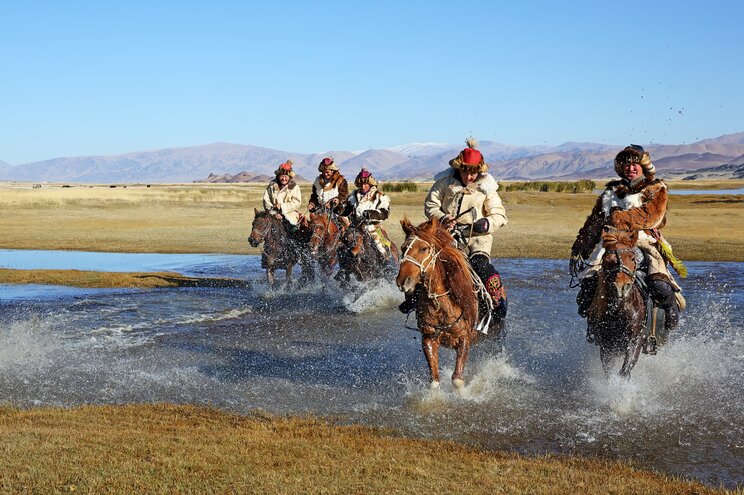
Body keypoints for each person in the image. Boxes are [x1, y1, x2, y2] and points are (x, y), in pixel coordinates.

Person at [570, 144, 685, 338]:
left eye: (635, 165)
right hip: (612, 242)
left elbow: (651, 216)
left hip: (645, 241)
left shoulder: (656, 188)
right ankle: (595, 323)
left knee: (658, 283)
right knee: (589, 283)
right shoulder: (611, 192)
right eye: (626, 164)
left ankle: (671, 308)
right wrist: (580, 247)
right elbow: (594, 222)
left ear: (643, 166)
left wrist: (617, 218)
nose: (630, 168)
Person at [399, 137, 509, 328]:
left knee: (481, 267)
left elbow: (499, 215)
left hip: (476, 239)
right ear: (460, 168)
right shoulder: (444, 183)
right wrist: (442, 218)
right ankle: (415, 299)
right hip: (446, 238)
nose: (469, 177)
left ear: (479, 171)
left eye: (473, 173)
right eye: (466, 171)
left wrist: (485, 224)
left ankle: (496, 304)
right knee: (429, 267)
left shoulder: (487, 188)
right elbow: (431, 205)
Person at [339, 168, 392, 260]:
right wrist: (339, 208)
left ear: (370, 184)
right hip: (354, 227)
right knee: (340, 244)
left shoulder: (380, 196)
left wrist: (370, 214)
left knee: (380, 248)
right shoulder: (353, 196)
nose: (363, 187)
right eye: (361, 184)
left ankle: (386, 265)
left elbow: (385, 213)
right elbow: (346, 210)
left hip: (372, 227)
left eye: (366, 184)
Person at [262, 160, 302, 228]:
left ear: (289, 177)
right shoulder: (271, 186)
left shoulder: (294, 187)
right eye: (282, 176)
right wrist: (274, 213)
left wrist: (281, 207)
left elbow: (296, 202)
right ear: (278, 176)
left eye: (286, 176)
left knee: (293, 230)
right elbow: (266, 200)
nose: (284, 178)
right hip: (273, 214)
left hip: (290, 214)